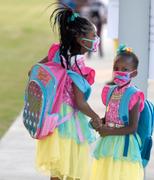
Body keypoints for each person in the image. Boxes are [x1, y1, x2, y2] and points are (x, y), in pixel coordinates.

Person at [34, 3, 102, 180]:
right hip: (70, 121)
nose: (96, 38)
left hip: (53, 115)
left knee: (57, 170)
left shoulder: (56, 51)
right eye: (93, 35)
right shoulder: (78, 66)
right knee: (73, 169)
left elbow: (35, 70)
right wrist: (96, 117)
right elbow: (80, 102)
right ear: (80, 39)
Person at [90, 44, 145, 180]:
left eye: (125, 69)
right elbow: (111, 116)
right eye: (116, 68)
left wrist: (108, 131)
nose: (119, 72)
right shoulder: (111, 91)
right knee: (107, 174)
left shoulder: (134, 95)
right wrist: (99, 122)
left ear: (134, 73)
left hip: (123, 145)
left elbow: (132, 127)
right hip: (108, 143)